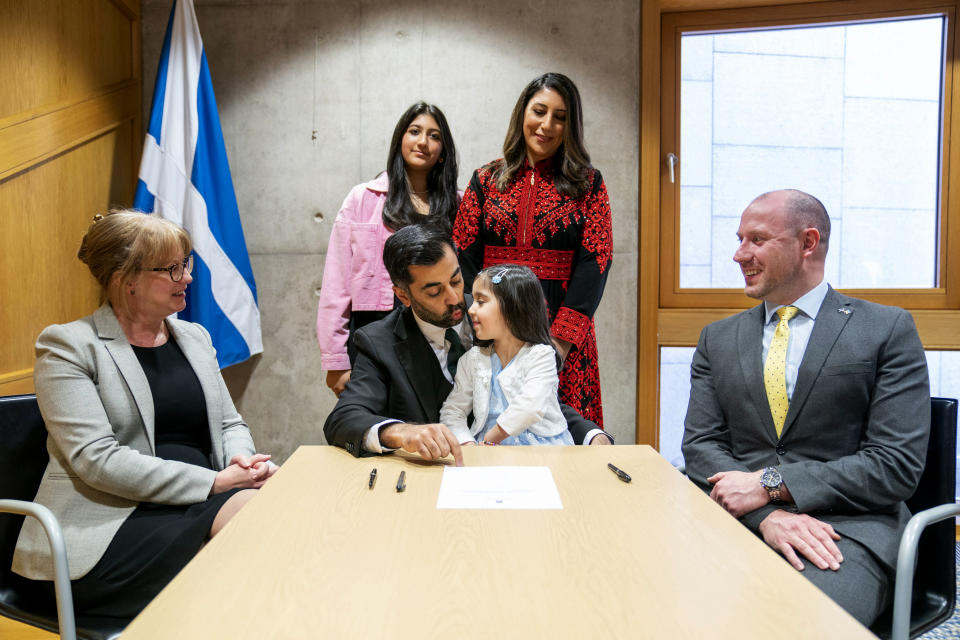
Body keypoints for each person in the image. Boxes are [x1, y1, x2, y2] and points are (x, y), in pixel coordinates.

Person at [12, 211, 278, 619]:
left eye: (185, 263)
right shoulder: (67, 347)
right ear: (126, 279)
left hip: (191, 507)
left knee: (264, 523)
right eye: (171, 269)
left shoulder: (194, 337)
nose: (187, 277)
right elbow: (97, 460)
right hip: (106, 528)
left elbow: (229, 423)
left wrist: (240, 460)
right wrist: (215, 481)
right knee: (241, 551)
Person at [681, 189, 930, 625]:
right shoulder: (715, 339)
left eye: (756, 239)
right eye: (739, 239)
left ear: (808, 243)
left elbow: (895, 465)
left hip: (844, 532)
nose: (739, 254)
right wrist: (766, 512)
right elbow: (702, 445)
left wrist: (772, 484)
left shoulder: (886, 329)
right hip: (734, 519)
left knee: (792, 624)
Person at [323, 225, 611, 463]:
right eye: (434, 291)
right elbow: (343, 419)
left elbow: (535, 395)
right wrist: (400, 433)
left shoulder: (493, 313)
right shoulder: (378, 342)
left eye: (456, 280)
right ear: (404, 296)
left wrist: (588, 433)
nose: (455, 298)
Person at [454, 72, 613, 428]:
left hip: (562, 337)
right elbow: (464, 256)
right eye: (539, 111)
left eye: (560, 117)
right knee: (489, 434)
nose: (547, 125)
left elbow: (596, 263)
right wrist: (482, 330)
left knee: (563, 440)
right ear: (522, 113)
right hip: (491, 337)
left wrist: (559, 344)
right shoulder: (485, 180)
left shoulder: (589, 184)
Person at [317, 101, 459, 397]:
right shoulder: (363, 199)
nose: (423, 141)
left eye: (434, 136)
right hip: (375, 330)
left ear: (443, 150)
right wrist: (335, 359)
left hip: (442, 329)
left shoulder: (461, 204)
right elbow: (336, 284)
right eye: (415, 131)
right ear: (400, 140)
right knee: (375, 426)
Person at [440, 264, 573, 446]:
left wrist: (489, 440)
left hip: (542, 451)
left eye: (481, 301)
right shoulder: (472, 360)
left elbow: (529, 407)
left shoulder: (541, 356)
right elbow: (453, 410)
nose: (470, 309)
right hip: (487, 452)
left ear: (512, 307)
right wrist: (467, 443)